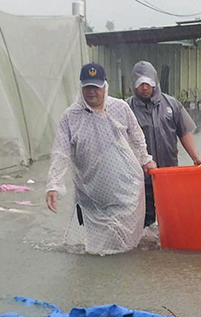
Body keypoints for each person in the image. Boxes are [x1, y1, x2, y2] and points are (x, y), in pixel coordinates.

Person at [45, 62, 157, 255]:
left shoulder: (120, 108)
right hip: (92, 193)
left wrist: (145, 159)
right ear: (81, 88)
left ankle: (122, 276)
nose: (91, 92)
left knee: (126, 246)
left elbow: (137, 135)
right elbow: (60, 152)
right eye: (87, 87)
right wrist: (53, 184)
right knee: (97, 250)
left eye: (96, 87)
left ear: (105, 86)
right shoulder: (70, 117)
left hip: (126, 189)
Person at [126, 61, 201, 227]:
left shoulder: (172, 104)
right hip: (140, 179)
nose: (144, 87)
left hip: (169, 175)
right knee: (143, 223)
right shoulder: (125, 108)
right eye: (140, 84)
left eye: (148, 83)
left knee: (172, 219)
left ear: (155, 82)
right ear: (134, 85)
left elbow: (184, 132)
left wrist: (196, 158)